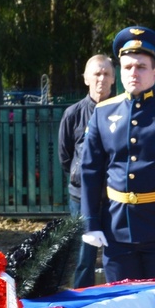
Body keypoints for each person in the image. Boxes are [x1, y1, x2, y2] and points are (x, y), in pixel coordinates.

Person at [79, 26, 155, 284]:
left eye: (141, 67)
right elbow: (90, 170)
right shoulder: (103, 112)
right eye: (127, 67)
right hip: (116, 229)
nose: (133, 73)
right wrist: (91, 221)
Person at [57, 54, 115, 288]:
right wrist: (81, 177)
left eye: (106, 74)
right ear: (86, 78)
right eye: (97, 73)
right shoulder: (73, 114)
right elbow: (65, 155)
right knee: (84, 255)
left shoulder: (123, 110)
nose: (101, 78)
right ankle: (83, 299)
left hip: (116, 197)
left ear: (113, 79)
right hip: (81, 197)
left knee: (117, 253)